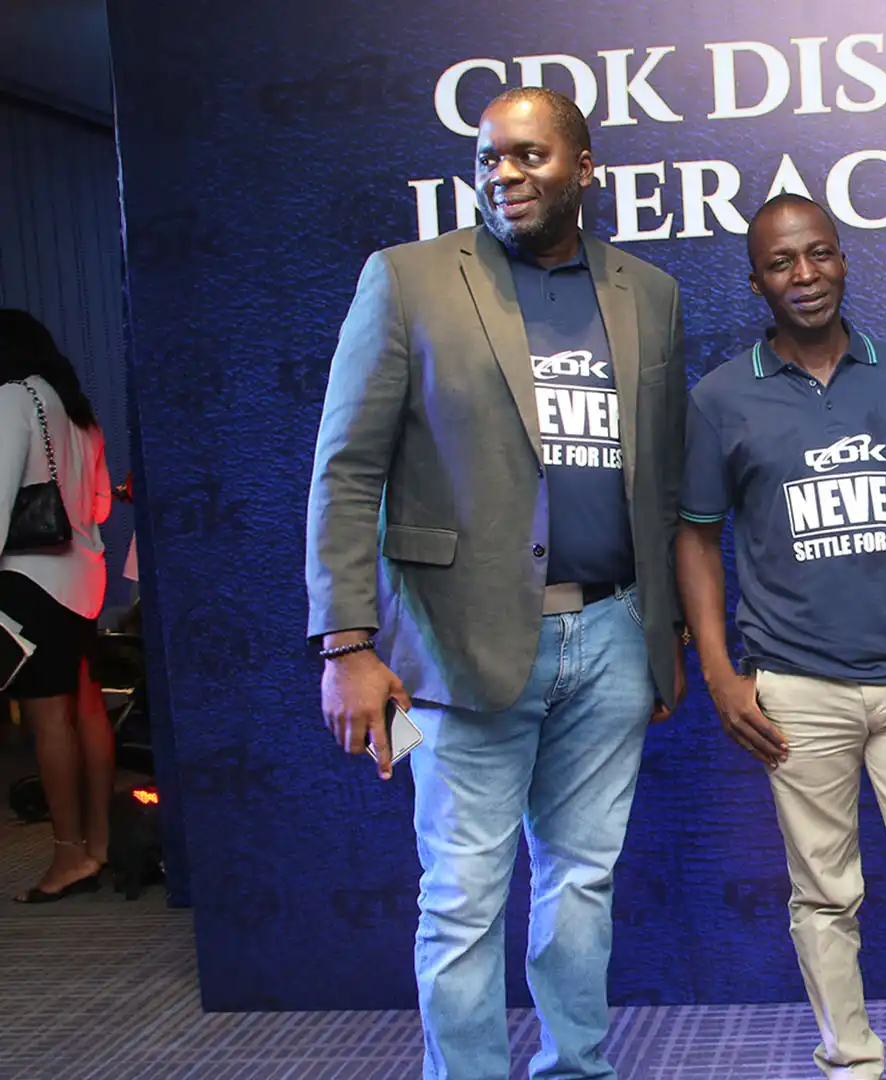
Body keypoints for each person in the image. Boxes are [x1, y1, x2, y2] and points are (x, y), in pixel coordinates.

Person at [305, 87, 687, 1080]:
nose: (504, 174)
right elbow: (346, 469)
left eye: (529, 156)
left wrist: (665, 635)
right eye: (488, 159)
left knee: (583, 883)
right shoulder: (408, 279)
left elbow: (659, 478)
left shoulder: (648, 293)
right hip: (452, 641)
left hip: (612, 636)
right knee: (463, 899)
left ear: (584, 168)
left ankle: (576, 1068)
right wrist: (346, 645)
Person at [676, 193, 886, 1080]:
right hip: (796, 686)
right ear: (756, 282)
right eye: (782, 262)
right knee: (825, 898)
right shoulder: (719, 397)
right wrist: (718, 674)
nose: (805, 275)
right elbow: (697, 541)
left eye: (819, 254)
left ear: (843, 259)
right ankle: (851, 1064)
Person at [0, 309, 114, 904]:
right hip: (84, 580)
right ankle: (98, 844)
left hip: (30, 580)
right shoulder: (79, 413)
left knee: (47, 723)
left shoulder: (12, 399)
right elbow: (100, 506)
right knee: (87, 713)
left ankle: (68, 856)